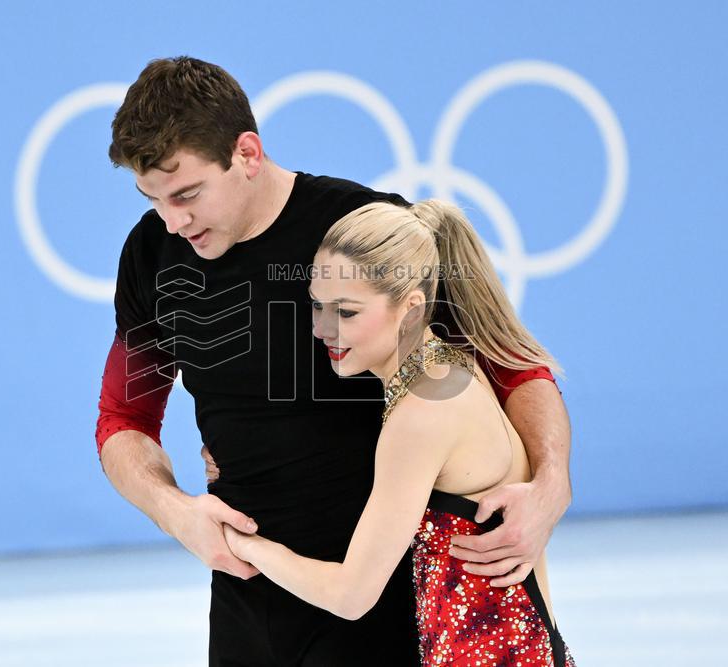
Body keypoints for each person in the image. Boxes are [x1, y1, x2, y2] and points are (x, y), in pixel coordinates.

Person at [97, 56, 573, 666]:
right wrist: (175, 512)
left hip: (381, 593)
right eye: (153, 198)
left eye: (188, 193)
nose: (173, 219)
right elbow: (122, 419)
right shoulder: (150, 254)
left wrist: (551, 479)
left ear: (246, 153)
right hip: (248, 592)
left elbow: (514, 364)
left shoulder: (359, 232)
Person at [220, 199, 576, 665]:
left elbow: (351, 595)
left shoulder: (423, 412)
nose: (321, 328)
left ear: (410, 308)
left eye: (345, 312)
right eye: (316, 305)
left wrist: (242, 542)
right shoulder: (446, 368)